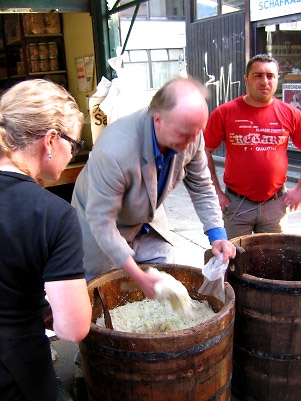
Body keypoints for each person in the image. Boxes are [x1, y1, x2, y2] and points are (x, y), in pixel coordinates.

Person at [72, 76, 236, 299]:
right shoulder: (113, 150)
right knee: (102, 295)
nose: (191, 142)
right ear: (157, 120)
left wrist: (217, 234)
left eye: (198, 132)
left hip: (146, 218)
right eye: (184, 134)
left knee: (164, 285)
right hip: (100, 223)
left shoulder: (191, 132)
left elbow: (201, 186)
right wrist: (137, 276)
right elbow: (102, 223)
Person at [0, 79, 92, 401]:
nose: (74, 153)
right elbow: (72, 328)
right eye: (75, 144)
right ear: (51, 140)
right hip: (16, 374)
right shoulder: (54, 215)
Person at [204, 54, 301, 239]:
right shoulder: (225, 112)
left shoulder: (290, 113)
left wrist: (300, 189)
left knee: (273, 262)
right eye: (258, 75)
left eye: (270, 76)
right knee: (234, 261)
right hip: (236, 205)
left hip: (276, 204)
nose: (265, 81)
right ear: (247, 80)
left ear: (277, 79)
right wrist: (215, 191)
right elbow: (204, 152)